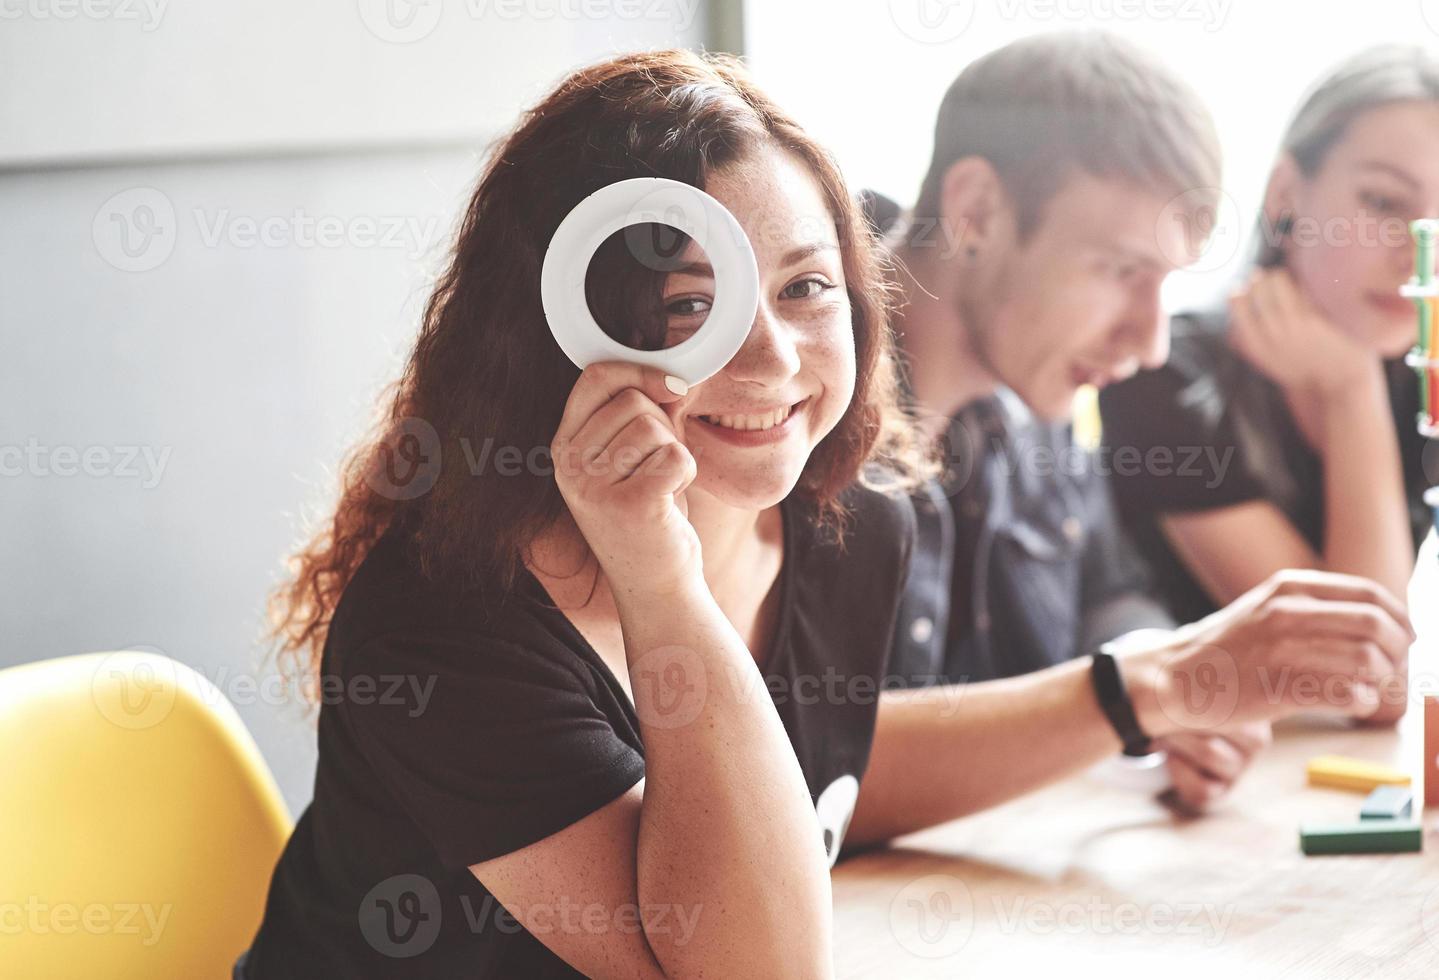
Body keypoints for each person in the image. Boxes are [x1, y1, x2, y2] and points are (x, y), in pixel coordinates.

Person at [239, 49, 929, 978]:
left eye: (806, 287)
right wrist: (658, 573)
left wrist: (1130, 693)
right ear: (560, 334)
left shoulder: (856, 526)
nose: (770, 360)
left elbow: (829, 784)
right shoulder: (440, 631)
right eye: (691, 304)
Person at [836, 33, 1416, 840]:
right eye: (1119, 271)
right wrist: (1138, 691)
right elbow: (791, 770)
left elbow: (1110, 597)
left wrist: (1157, 701)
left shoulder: (1034, 413)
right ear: (974, 212)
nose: (1148, 343)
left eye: (1167, 284)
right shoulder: (784, 406)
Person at [1101, 48, 1439, 726]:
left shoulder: (1413, 373)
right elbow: (1361, 685)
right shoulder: (1161, 375)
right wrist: (1349, 393)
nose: (1418, 252)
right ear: (1286, 195)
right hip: (1184, 790)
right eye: (1381, 201)